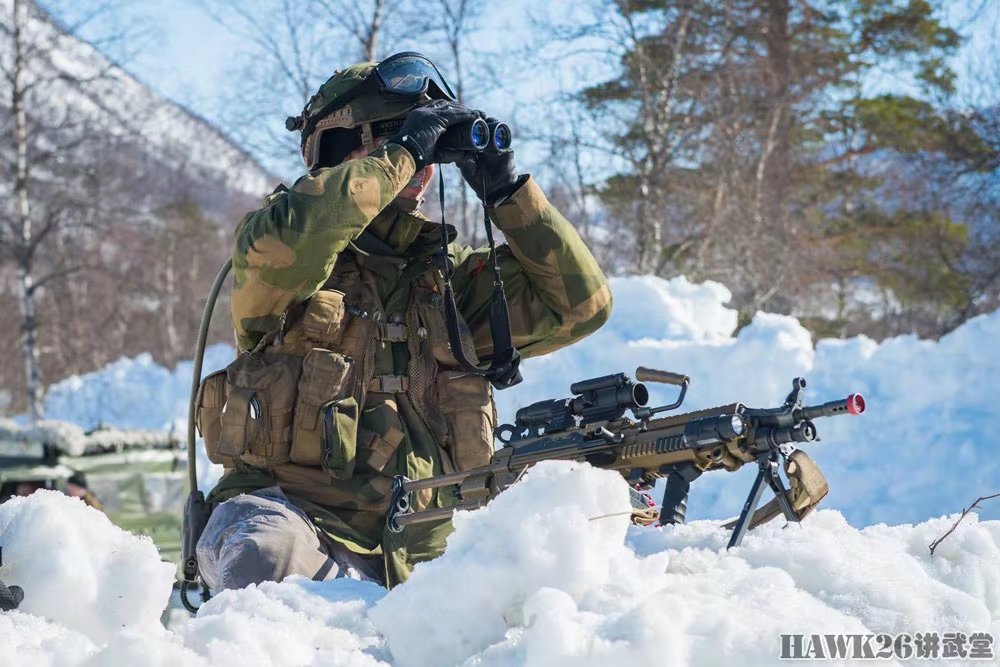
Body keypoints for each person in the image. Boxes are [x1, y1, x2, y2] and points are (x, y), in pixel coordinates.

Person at [195, 52, 611, 591]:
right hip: (295, 520)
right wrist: (404, 152)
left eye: (429, 144)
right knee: (263, 559)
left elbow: (582, 306)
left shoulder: (445, 277)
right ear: (341, 148)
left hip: (424, 548)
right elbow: (299, 235)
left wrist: (507, 191)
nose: (423, 163)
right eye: (390, 137)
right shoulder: (276, 247)